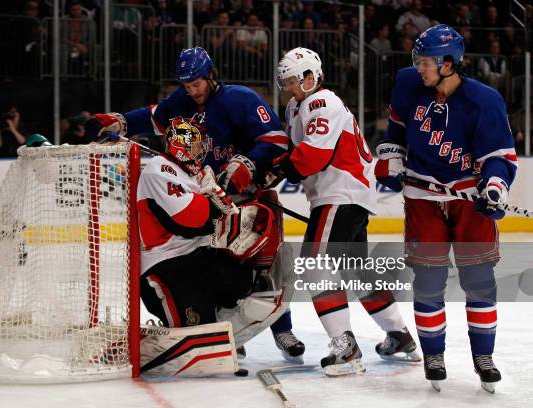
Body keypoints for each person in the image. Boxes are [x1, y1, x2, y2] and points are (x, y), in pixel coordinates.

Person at [84, 46, 305, 363]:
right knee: (219, 263)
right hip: (210, 196)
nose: (193, 91)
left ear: (211, 75)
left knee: (266, 263)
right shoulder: (181, 103)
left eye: (197, 84)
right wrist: (119, 123)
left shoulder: (239, 98)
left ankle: (282, 330)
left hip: (250, 192)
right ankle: (226, 331)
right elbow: (152, 117)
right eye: (187, 86)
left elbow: (276, 139)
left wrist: (248, 164)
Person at [374, 24, 517, 393]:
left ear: (449, 63)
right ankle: (433, 355)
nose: (419, 68)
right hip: (423, 198)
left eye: (426, 62)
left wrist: (495, 187)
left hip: (468, 200)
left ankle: (483, 357)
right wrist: (391, 159)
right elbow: (395, 134)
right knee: (429, 281)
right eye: (417, 61)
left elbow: (498, 157)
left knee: (479, 280)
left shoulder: (483, 101)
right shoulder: (409, 84)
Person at [274, 47, 419, 377]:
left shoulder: (321, 102)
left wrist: (278, 168)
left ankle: (346, 348)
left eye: (296, 80)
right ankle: (400, 336)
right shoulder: (298, 106)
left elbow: (313, 156)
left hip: (339, 195)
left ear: (312, 77)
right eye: (287, 82)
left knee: (315, 267)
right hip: (347, 196)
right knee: (358, 273)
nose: (291, 87)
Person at [137, 116, 254, 329]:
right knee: (198, 325)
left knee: (240, 280)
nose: (201, 150)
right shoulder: (160, 169)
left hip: (192, 256)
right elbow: (188, 223)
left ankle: (220, 326)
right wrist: (216, 205)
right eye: (197, 145)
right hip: (164, 263)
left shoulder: (193, 171)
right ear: (181, 144)